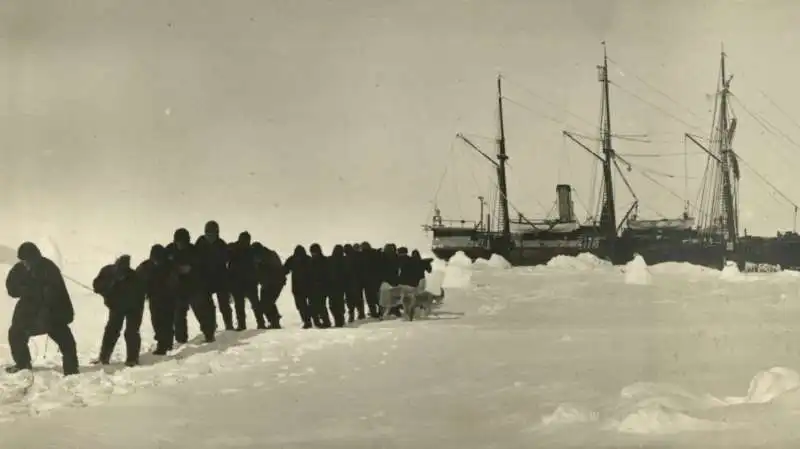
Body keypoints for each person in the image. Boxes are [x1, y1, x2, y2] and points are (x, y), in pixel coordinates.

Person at [5, 242, 79, 376]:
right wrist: (26, 290)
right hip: (29, 313)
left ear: (35, 257)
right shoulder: (19, 268)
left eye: (28, 260)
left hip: (52, 313)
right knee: (15, 334)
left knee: (66, 341)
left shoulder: (49, 268)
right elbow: (11, 289)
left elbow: (55, 294)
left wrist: (37, 292)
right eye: (23, 261)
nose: (25, 264)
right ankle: (23, 365)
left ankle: (72, 370)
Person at [91, 255, 146, 367]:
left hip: (134, 308)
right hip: (116, 307)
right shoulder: (107, 271)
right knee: (111, 330)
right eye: (119, 274)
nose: (121, 277)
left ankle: (132, 359)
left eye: (123, 274)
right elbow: (96, 285)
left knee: (131, 332)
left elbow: (140, 297)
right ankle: (104, 357)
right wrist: (107, 288)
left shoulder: (134, 277)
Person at [167, 228, 216, 343]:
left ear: (187, 241)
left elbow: (201, 268)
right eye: (178, 242)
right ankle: (181, 340)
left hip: (193, 288)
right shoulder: (170, 250)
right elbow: (165, 265)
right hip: (178, 289)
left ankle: (209, 335)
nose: (180, 245)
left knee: (201, 312)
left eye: (182, 242)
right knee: (178, 316)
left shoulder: (194, 251)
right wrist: (176, 270)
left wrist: (190, 269)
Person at [136, 244, 178, 355]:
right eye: (154, 259)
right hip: (154, 298)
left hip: (168, 298)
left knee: (167, 322)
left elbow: (175, 280)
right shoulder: (145, 266)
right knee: (157, 322)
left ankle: (164, 345)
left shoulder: (169, 265)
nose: (156, 261)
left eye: (158, 259)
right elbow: (137, 279)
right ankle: (164, 343)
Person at [195, 220, 234, 330]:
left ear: (217, 233)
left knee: (224, 305)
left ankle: (229, 325)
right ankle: (211, 326)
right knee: (207, 307)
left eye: (213, 234)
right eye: (208, 233)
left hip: (220, 279)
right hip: (206, 280)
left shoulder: (221, 244)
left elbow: (227, 259)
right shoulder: (200, 243)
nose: (211, 236)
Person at [227, 232, 264, 330]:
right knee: (253, 304)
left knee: (242, 305)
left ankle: (243, 325)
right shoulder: (249, 251)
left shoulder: (234, 248)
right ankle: (259, 323)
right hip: (246, 282)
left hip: (242, 282)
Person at [253, 242, 285, 329]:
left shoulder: (270, 256)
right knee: (267, 303)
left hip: (275, 283)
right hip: (267, 283)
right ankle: (274, 321)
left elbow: (276, 271)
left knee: (266, 303)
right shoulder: (263, 256)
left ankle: (275, 321)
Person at [284, 245, 313, 329]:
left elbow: (285, 270)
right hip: (306, 286)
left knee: (301, 306)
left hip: (299, 287)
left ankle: (307, 321)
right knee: (305, 305)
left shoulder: (292, 259)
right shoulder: (308, 259)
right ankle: (308, 320)